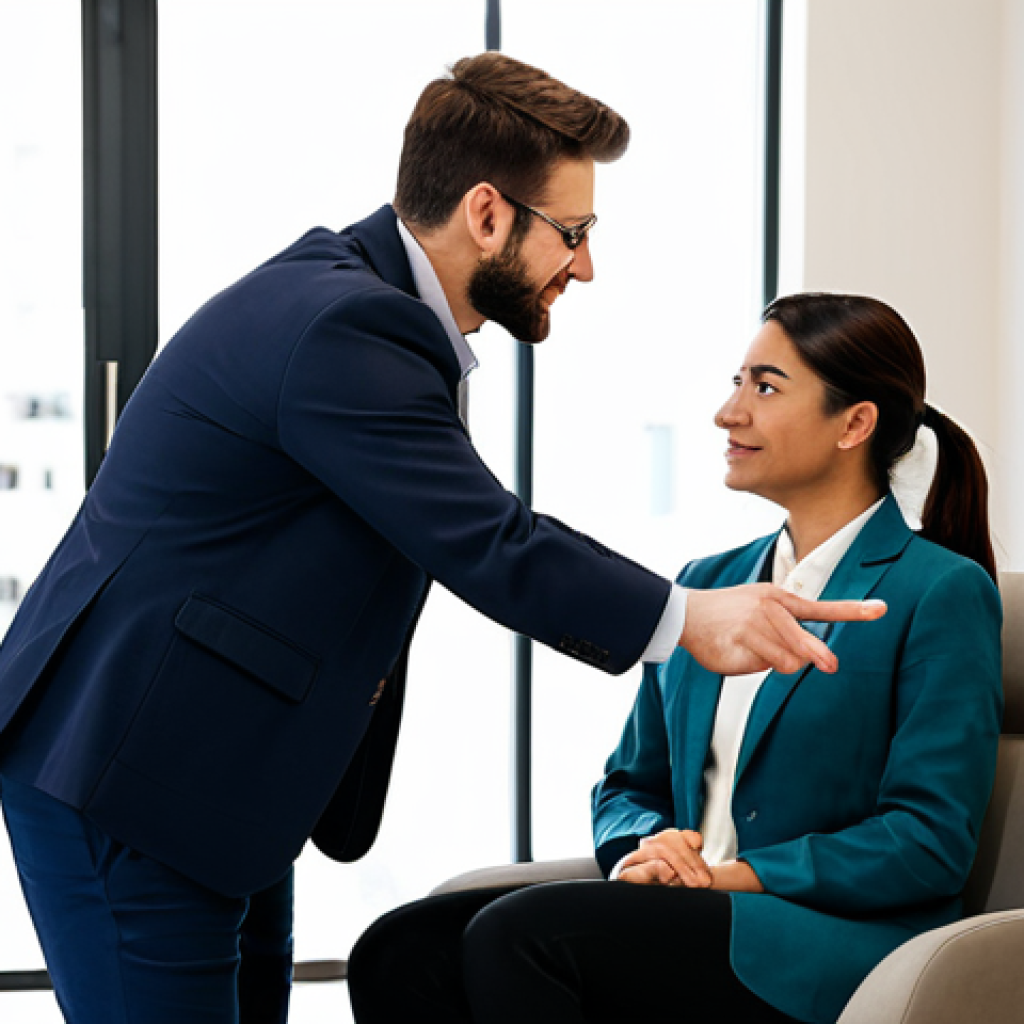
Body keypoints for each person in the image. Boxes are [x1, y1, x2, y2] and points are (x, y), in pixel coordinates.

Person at [0, 54, 881, 1024]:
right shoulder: (350, 324)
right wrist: (687, 619)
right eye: (574, 234)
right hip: (134, 776)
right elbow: (490, 542)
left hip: (219, 783)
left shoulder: (368, 306)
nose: (583, 265)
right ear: (488, 214)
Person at [346, 293, 1003, 1024]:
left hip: (829, 939)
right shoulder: (705, 586)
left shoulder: (939, 590)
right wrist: (643, 849)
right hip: (688, 910)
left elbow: (927, 840)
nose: (729, 413)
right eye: (736, 382)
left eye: (765, 386)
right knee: (398, 947)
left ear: (855, 422)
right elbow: (629, 783)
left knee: (520, 938)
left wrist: (734, 876)